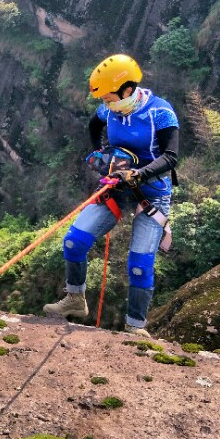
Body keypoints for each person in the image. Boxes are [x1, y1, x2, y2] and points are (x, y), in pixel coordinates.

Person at [43, 54, 179, 337]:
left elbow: (171, 157)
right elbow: (94, 125)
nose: (106, 104)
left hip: (151, 194)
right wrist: (100, 153)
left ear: (127, 89)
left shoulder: (160, 112)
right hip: (117, 188)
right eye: (103, 99)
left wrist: (139, 174)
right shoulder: (110, 111)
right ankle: (75, 299)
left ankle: (135, 326)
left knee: (140, 264)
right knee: (73, 241)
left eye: (109, 97)